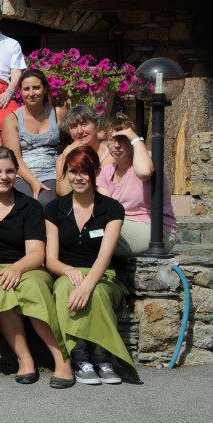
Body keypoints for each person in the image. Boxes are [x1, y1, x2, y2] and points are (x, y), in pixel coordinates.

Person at [0, 147, 73, 388]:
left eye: (10, 171)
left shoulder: (30, 206)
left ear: (17, 173)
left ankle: (62, 360)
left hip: (28, 265)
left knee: (34, 289)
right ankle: (24, 358)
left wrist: (17, 268)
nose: (3, 177)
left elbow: (37, 254)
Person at [45, 146, 139, 384]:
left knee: (95, 293)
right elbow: (51, 259)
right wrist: (68, 270)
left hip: (103, 274)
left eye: (85, 171)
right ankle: (79, 357)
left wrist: (87, 285)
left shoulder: (112, 209)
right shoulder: (54, 209)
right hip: (67, 272)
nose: (78, 177)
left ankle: (102, 357)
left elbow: (105, 255)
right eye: (73, 171)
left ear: (96, 171)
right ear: (66, 173)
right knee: (66, 288)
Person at [98, 115, 177, 255]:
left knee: (98, 233)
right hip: (120, 225)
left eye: (122, 139)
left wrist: (135, 138)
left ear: (131, 141)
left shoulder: (148, 158)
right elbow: (104, 207)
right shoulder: (107, 171)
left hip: (156, 231)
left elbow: (144, 172)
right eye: (112, 140)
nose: (116, 145)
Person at [2, 68, 68, 207]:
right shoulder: (12, 119)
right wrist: (33, 181)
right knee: (25, 204)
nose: (31, 93)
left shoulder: (58, 113)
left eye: (36, 88)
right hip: (23, 171)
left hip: (52, 170)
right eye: (26, 89)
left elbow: (82, 132)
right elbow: (15, 159)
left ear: (45, 89)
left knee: (49, 203)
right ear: (20, 92)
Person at [55, 105, 112, 195]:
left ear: (97, 125)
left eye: (84, 124)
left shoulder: (112, 152)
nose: (80, 131)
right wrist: (66, 156)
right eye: (74, 126)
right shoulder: (62, 158)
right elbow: (64, 193)